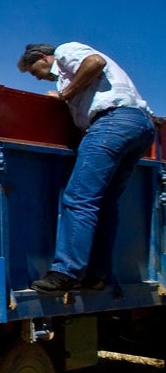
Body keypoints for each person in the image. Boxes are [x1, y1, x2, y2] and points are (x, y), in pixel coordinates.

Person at [17, 42, 156, 294]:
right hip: (139, 125)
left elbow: (95, 62)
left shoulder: (64, 52)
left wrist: (64, 94)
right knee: (105, 204)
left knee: (79, 198)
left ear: (41, 56)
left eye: (33, 70)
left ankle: (66, 272)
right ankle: (96, 275)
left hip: (112, 122)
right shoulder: (71, 78)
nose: (36, 77)